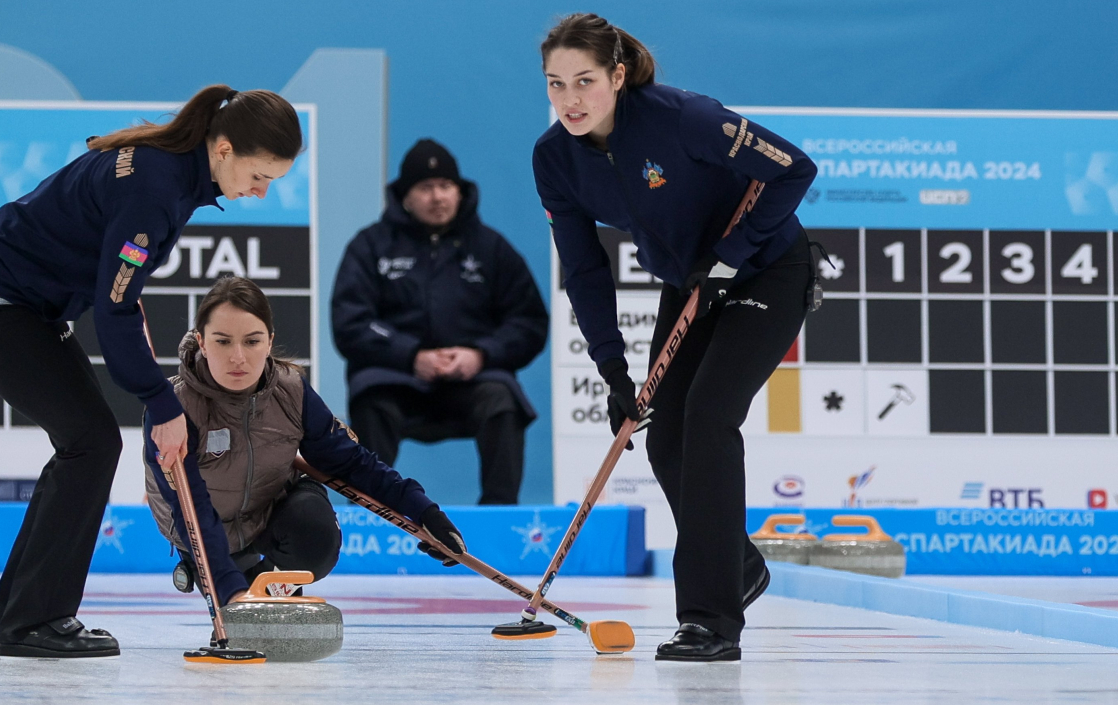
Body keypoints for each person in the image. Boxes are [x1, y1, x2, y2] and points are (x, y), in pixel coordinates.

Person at [0, 84, 303, 658]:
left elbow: (117, 294)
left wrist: (155, 394)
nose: (260, 192)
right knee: (89, 444)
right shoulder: (157, 189)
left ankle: (24, 618)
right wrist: (162, 404)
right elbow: (113, 311)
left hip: (25, 301)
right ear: (226, 148)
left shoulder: (176, 170)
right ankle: (32, 622)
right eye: (260, 176)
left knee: (85, 444)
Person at [533, 14, 819, 661]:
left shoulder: (683, 117)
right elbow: (583, 266)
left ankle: (710, 619)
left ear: (618, 75)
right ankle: (736, 564)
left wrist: (732, 252)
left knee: (709, 416)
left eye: (584, 81)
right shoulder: (554, 159)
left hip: (766, 267)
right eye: (555, 85)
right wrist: (611, 367)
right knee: (664, 435)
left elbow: (793, 169)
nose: (570, 99)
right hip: (690, 283)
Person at [142, 276, 466, 605]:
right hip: (202, 532)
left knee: (314, 530)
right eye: (223, 342)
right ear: (202, 342)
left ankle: (272, 577)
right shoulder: (172, 410)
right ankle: (237, 578)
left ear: (269, 342)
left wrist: (425, 512)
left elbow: (352, 463)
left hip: (267, 517)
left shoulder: (292, 392)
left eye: (251, 342)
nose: (238, 357)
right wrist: (228, 591)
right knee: (231, 583)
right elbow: (189, 509)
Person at [331, 139, 549, 505]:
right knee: (371, 398)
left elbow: (528, 321)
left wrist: (480, 354)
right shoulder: (370, 246)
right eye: (426, 188)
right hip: (396, 376)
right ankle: (371, 511)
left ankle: (499, 517)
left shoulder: (492, 248)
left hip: (473, 378)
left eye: (446, 186)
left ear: (460, 192)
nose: (438, 197)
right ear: (405, 196)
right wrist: (410, 355)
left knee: (503, 400)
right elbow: (350, 322)